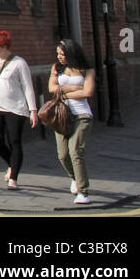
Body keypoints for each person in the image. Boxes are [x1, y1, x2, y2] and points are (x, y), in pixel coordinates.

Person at [0, 29, 38, 189]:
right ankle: (11, 164)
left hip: (15, 108)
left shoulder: (19, 63)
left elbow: (28, 87)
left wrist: (33, 110)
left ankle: (14, 178)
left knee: (14, 141)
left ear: (5, 46)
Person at [49, 38, 96, 205]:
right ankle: (74, 178)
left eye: (62, 54)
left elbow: (87, 92)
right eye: (58, 54)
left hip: (82, 115)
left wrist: (64, 94)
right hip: (62, 116)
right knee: (62, 155)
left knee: (75, 151)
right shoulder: (56, 68)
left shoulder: (86, 70)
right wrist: (74, 89)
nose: (59, 57)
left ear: (71, 53)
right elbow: (52, 88)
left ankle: (83, 192)